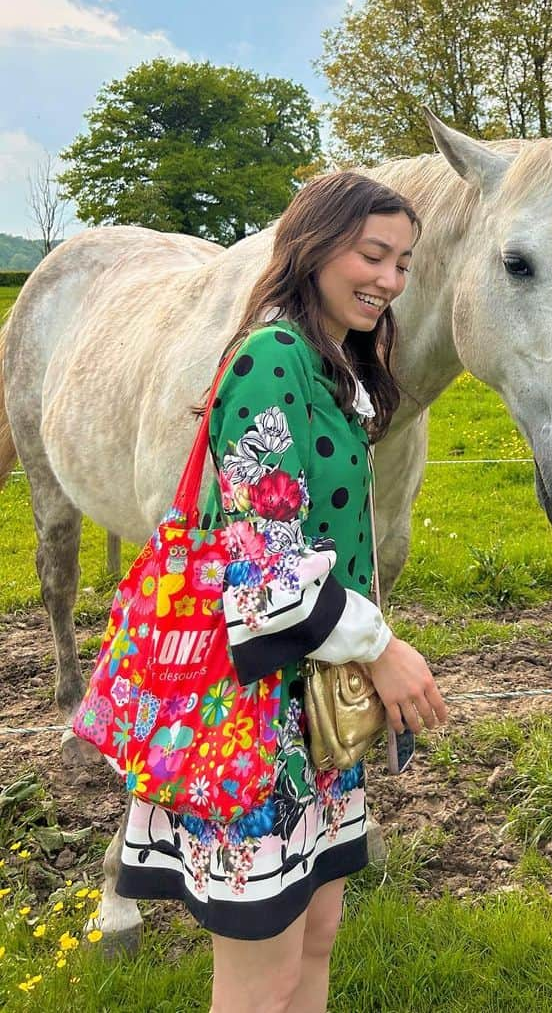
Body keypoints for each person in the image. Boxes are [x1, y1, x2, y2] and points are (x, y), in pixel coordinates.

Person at [115, 170, 448, 1013]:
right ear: (311, 246)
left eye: (404, 264)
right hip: (253, 724)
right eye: (373, 255)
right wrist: (383, 649)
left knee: (317, 937)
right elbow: (263, 565)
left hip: (313, 716)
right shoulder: (270, 361)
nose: (389, 281)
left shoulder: (332, 366)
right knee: (259, 978)